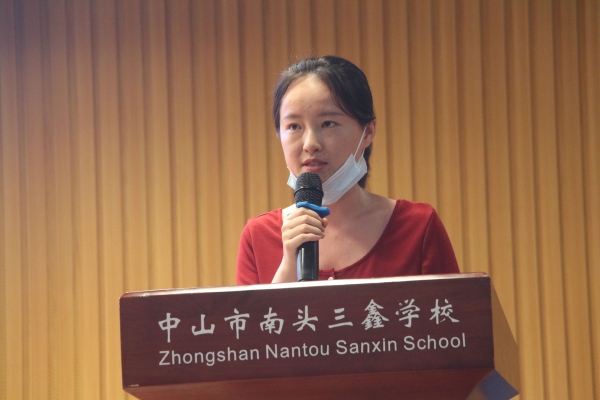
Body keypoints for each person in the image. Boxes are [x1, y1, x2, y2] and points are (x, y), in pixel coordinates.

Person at [236, 55, 458, 285]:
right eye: (294, 126)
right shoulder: (258, 236)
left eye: (328, 124)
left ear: (368, 132)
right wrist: (288, 267)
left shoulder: (417, 227)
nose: (310, 144)